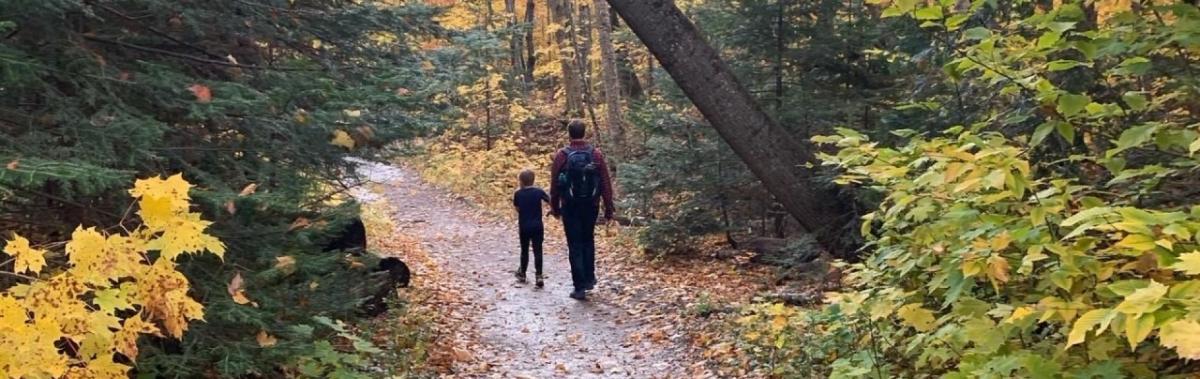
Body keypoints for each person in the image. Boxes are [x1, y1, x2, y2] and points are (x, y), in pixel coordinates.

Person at [549, 119, 615, 301]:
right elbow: (605, 183)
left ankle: (579, 288)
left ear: (569, 134)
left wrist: (555, 207)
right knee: (588, 240)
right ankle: (589, 278)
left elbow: (554, 184)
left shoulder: (562, 155)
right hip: (591, 205)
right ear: (584, 133)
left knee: (574, 244)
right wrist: (608, 208)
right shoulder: (595, 154)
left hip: (570, 206)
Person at [513, 169, 550, 288]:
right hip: (537, 225)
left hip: (524, 226)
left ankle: (522, 272)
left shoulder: (518, 193)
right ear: (533, 180)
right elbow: (550, 200)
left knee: (524, 250)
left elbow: (517, 208)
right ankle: (539, 275)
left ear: (521, 181)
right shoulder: (538, 191)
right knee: (538, 250)